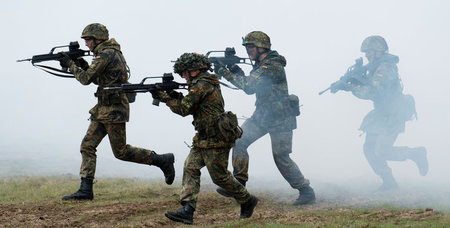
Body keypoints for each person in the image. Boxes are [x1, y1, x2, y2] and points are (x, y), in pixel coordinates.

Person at [59, 23, 175, 200]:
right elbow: (99, 76)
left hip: (114, 110)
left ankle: (162, 160)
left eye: (88, 40)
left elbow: (86, 79)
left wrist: (70, 64)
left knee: (121, 152)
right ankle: (85, 189)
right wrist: (80, 63)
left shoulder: (106, 53)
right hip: (103, 109)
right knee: (87, 146)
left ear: (98, 38)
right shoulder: (107, 52)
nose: (86, 44)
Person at [153, 53, 258, 225]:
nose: (183, 77)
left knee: (220, 177)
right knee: (190, 167)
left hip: (217, 138)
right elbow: (190, 103)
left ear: (194, 70)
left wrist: (164, 97)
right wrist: (172, 94)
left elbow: (184, 109)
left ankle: (247, 200)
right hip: (204, 137)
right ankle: (187, 209)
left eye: (184, 73)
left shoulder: (202, 84)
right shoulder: (201, 83)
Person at [214, 31, 315, 205]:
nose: (248, 51)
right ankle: (238, 183)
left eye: (251, 47)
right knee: (239, 141)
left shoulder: (272, 66)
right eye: (247, 47)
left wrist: (225, 71)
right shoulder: (262, 64)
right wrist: (233, 68)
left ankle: (306, 191)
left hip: (280, 118)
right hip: (262, 115)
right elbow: (251, 80)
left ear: (262, 47)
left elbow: (248, 86)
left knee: (281, 157)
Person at [329, 35, 428, 191]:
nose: (367, 55)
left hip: (394, 113)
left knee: (382, 151)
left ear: (380, 51)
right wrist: (348, 81)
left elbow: (373, 92)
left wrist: (349, 86)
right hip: (381, 113)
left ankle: (415, 154)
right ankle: (389, 182)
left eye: (370, 51)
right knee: (369, 148)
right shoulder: (374, 67)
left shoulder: (386, 67)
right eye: (366, 52)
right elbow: (367, 85)